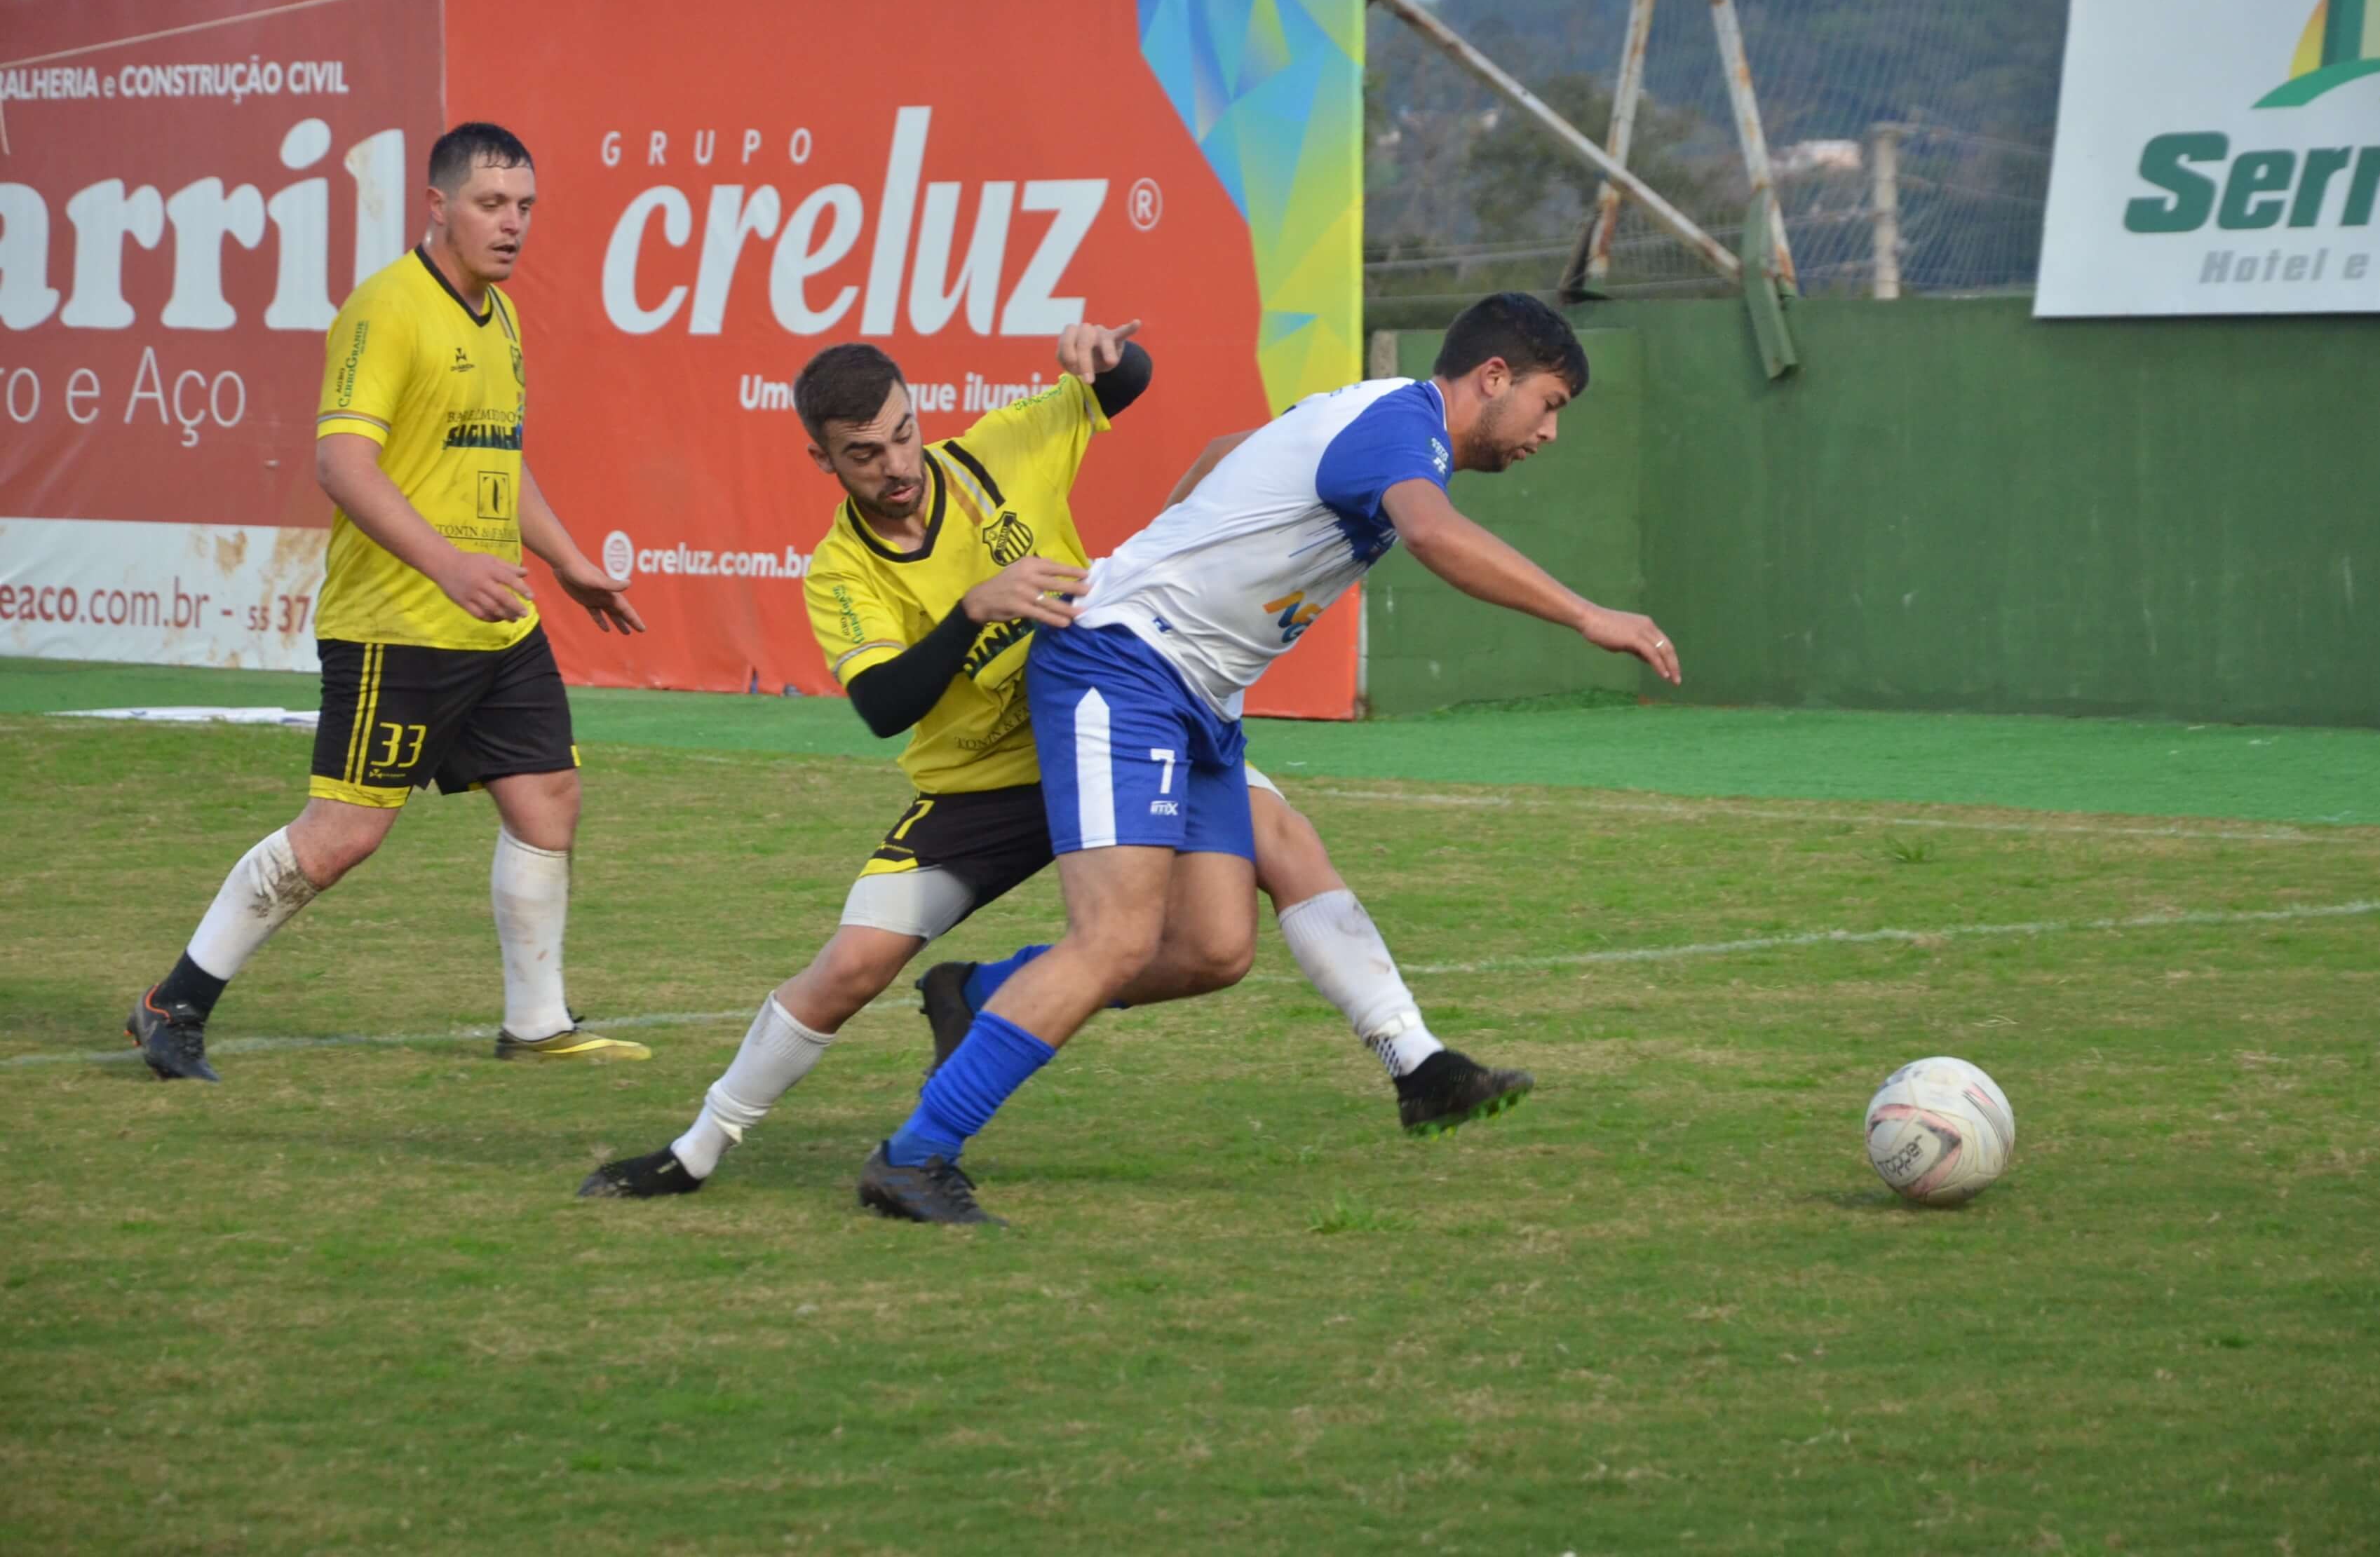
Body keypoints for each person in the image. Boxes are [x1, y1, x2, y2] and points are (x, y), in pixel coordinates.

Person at [579, 325, 1529, 1201]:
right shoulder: (841, 569)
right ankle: (698, 1149)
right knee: (853, 965)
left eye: (903, 436)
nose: (895, 466)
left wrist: (1108, 351)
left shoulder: (996, 451)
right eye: (862, 455)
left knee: (1224, 932)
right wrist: (972, 609)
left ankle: (1416, 1063)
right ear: (821, 459)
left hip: (1118, 717)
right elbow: (882, 705)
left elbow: (1126, 382)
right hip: (988, 788)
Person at [858, 292, 1679, 1225]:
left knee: (1213, 947)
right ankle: (913, 1158)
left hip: (1195, 694)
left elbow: (1226, 453)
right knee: (1118, 938)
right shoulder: (1404, 429)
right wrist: (1588, 615)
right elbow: (1433, 533)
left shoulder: (1377, 413)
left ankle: (979, 994)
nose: (1550, 431)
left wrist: (1168, 540)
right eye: (1550, 403)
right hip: (1123, 668)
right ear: (1495, 378)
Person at [126, 122, 649, 1083]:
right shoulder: (388, 310)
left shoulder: (500, 315)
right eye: (493, 204)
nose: (513, 224)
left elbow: (496, 456)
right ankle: (174, 1003)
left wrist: (568, 562)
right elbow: (341, 463)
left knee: (548, 801)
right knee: (342, 838)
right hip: (395, 629)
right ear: (437, 204)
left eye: (526, 206)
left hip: (496, 619)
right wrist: (449, 565)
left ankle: (535, 1023)